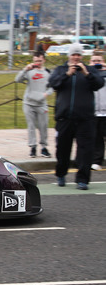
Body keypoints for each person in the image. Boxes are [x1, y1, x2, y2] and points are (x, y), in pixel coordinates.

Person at [48, 44, 105, 190]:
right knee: (63, 149)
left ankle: (83, 180)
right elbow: (53, 83)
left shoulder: (89, 70)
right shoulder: (61, 70)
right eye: (74, 55)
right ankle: (61, 173)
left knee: (86, 151)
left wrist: (87, 73)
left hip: (85, 119)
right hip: (65, 118)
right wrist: (67, 74)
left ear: (82, 56)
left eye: (78, 55)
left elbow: (99, 84)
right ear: (69, 56)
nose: (76, 57)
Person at [14, 52, 52, 158]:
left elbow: (52, 86)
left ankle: (44, 147)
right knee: (31, 126)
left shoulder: (48, 73)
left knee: (43, 126)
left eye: (40, 61)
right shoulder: (29, 71)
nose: (37, 63)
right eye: (35, 61)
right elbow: (17, 79)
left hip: (41, 103)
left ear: (43, 60)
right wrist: (25, 69)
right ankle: (33, 147)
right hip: (29, 103)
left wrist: (46, 94)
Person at [90, 51, 106, 170]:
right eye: (94, 61)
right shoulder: (87, 75)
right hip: (94, 112)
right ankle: (97, 161)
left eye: (99, 61)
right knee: (97, 138)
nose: (97, 63)